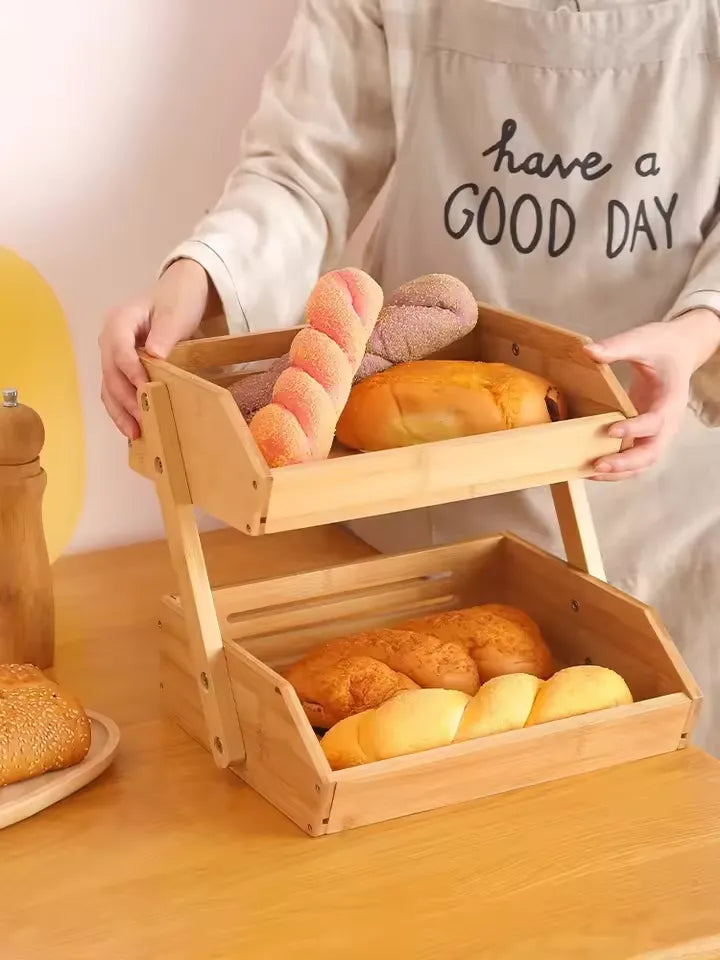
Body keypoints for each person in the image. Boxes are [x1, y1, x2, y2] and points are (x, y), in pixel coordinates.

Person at [100, 0, 720, 754]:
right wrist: (202, 276)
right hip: (419, 505)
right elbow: (304, 166)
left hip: (658, 500)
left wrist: (700, 330)